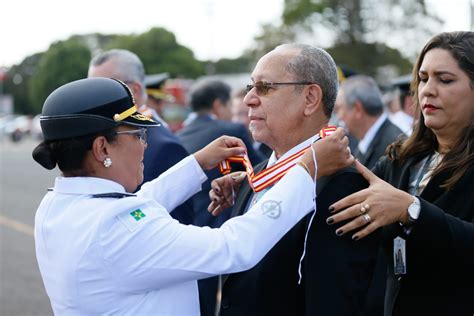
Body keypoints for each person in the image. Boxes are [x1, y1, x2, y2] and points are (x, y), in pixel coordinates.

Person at [32, 77, 353, 315]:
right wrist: (306, 170)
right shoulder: (115, 228)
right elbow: (234, 246)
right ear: (102, 148)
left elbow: (141, 206)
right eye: (137, 134)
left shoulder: (58, 205)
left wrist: (198, 164)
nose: (144, 144)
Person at [209, 44, 379, 316]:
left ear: (310, 98)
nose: (248, 99)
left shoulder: (341, 185)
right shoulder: (256, 175)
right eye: (250, 86)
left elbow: (332, 301)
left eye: (265, 87)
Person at [327, 31, 474, 316]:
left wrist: (413, 210)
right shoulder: (402, 158)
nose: (428, 90)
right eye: (423, 78)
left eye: (445, 80)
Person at [177, 80, 265, 315]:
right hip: (220, 229)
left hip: (187, 231)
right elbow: (261, 171)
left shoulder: (180, 133)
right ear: (218, 105)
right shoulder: (230, 131)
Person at [88, 49, 193, 224]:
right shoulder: (109, 137)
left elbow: (176, 224)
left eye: (104, 88)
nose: (93, 98)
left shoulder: (163, 147)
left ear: (134, 90)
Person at [335, 75, 404, 169]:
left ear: (357, 109)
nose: (339, 116)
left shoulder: (395, 148)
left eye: (340, 108)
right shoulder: (369, 140)